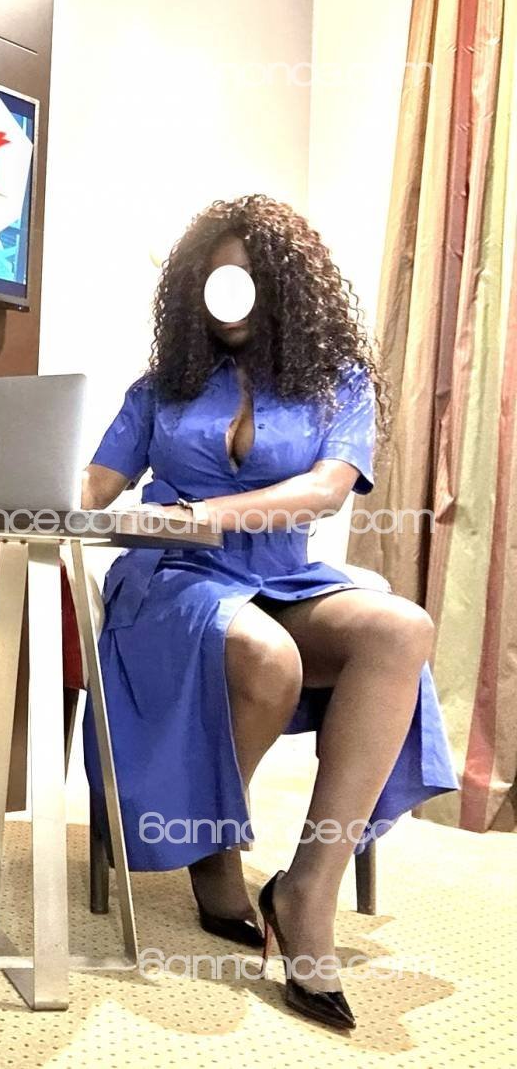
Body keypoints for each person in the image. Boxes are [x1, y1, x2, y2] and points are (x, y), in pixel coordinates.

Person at [80, 194, 457, 1030]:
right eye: (215, 279)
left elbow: (326, 489)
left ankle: (306, 889)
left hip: (280, 574)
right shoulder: (161, 389)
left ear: (289, 287)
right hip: (170, 576)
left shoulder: (338, 383)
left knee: (401, 627)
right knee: (266, 657)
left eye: (249, 278)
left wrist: (206, 513)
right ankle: (215, 839)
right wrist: (25, 487)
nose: (231, 295)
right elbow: (94, 486)